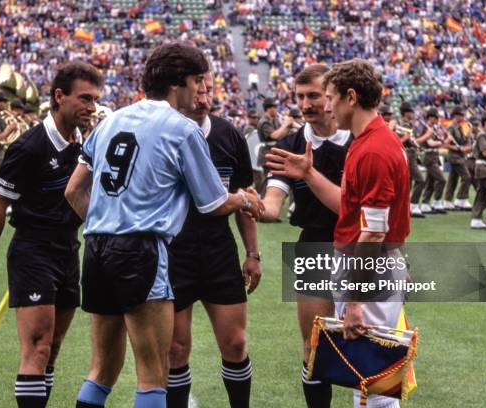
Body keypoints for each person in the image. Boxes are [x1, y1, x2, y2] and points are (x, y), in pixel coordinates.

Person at [64, 43, 263, 408]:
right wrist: (246, 200)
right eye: (197, 81)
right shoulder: (182, 129)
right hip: (140, 251)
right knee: (153, 375)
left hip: (96, 249)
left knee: (101, 370)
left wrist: (108, 220)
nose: (200, 90)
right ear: (180, 83)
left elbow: (74, 189)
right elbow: (214, 202)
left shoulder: (111, 120)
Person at [266, 58, 410, 408]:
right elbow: (350, 206)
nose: (323, 106)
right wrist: (307, 176)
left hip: (369, 264)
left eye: (326, 96)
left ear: (349, 97)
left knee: (372, 382)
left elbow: (373, 233)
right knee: (359, 371)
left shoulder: (373, 149)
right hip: (349, 256)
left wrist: (356, 299)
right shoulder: (368, 142)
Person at [0, 61, 103, 407]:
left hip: (68, 252)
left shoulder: (86, 142)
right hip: (33, 252)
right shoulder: (30, 146)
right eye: (85, 99)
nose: (91, 107)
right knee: (38, 348)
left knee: (53, 350)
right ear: (59, 97)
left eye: (95, 100)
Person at [167, 71, 260, 408]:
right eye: (198, 92)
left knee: (235, 343)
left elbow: (244, 198)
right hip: (173, 253)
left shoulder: (228, 135)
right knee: (175, 348)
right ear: (179, 93)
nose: (204, 99)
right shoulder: (165, 134)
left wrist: (253, 253)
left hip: (219, 253)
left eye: (209, 92)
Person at [261, 64, 351, 408]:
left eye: (313, 95)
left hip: (362, 246)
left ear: (330, 96)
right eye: (300, 96)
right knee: (315, 345)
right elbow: (274, 201)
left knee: (373, 342)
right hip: (313, 245)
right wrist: (256, 207)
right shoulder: (290, 144)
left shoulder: (359, 141)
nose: (305, 103)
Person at [395, 102, 426, 218]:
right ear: (406, 113)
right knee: (420, 180)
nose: (413, 114)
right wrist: (427, 135)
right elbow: (401, 141)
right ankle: (412, 205)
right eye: (411, 112)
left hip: (411, 154)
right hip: (407, 154)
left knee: (408, 183)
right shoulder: (402, 125)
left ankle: (404, 207)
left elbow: (413, 141)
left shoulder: (408, 124)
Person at [444, 106, 472, 210]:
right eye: (461, 115)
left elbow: (463, 141)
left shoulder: (459, 127)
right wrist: (459, 149)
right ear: (456, 116)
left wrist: (469, 132)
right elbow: (446, 145)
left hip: (459, 156)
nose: (462, 117)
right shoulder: (451, 128)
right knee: (467, 177)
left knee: (453, 179)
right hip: (455, 157)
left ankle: (447, 201)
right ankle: (461, 199)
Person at [419, 107, 447, 214]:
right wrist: (441, 142)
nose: (437, 120)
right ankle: (436, 202)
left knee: (430, 182)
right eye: (435, 118)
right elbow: (430, 143)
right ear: (430, 118)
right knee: (441, 180)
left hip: (434, 156)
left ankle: (425, 203)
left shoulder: (433, 128)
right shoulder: (427, 129)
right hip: (429, 156)